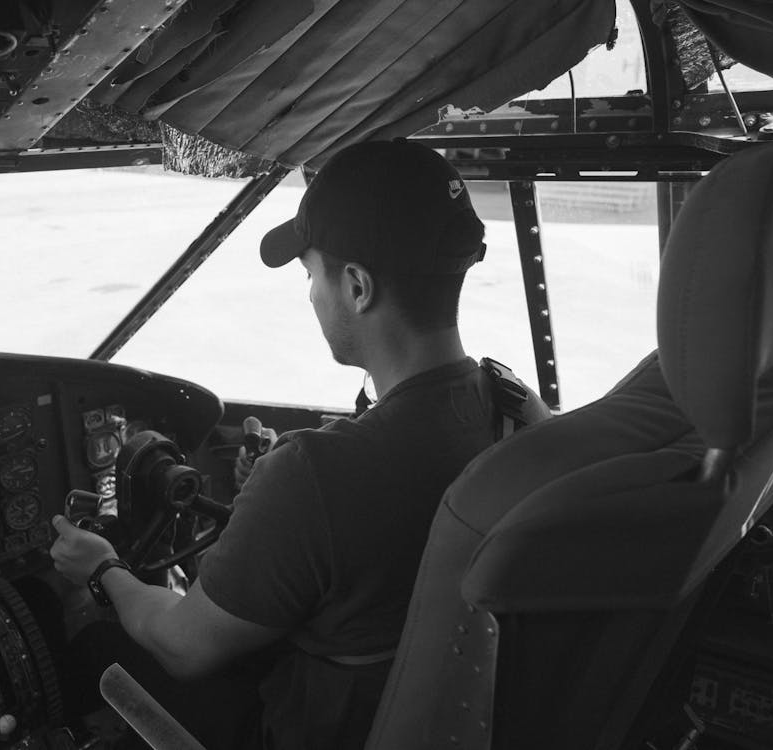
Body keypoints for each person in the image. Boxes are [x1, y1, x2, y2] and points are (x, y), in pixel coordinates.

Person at [51, 138, 503, 749]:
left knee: (95, 644)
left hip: (309, 730)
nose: (310, 294)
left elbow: (184, 647)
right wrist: (269, 495)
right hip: (443, 712)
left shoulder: (317, 472)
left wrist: (102, 569)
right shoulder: (512, 412)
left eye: (311, 274)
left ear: (357, 287)